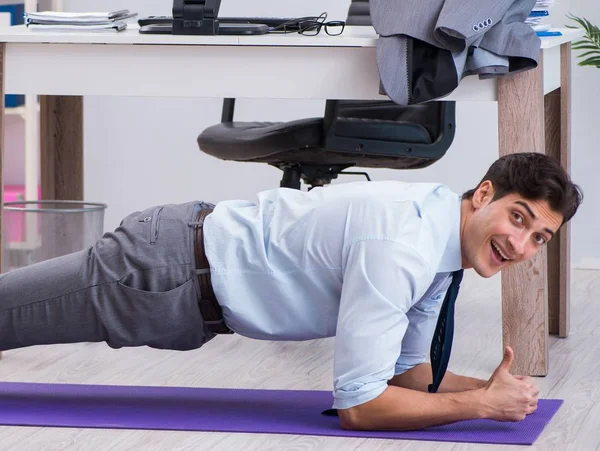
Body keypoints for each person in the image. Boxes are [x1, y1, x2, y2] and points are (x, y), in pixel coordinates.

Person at [0, 152, 582, 431]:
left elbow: (407, 376)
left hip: (188, 279)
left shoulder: (441, 238)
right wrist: (478, 405)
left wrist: (488, 387)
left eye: (540, 238)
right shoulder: (403, 246)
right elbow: (361, 405)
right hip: (160, 273)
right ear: (483, 195)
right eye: (518, 217)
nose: (521, 243)